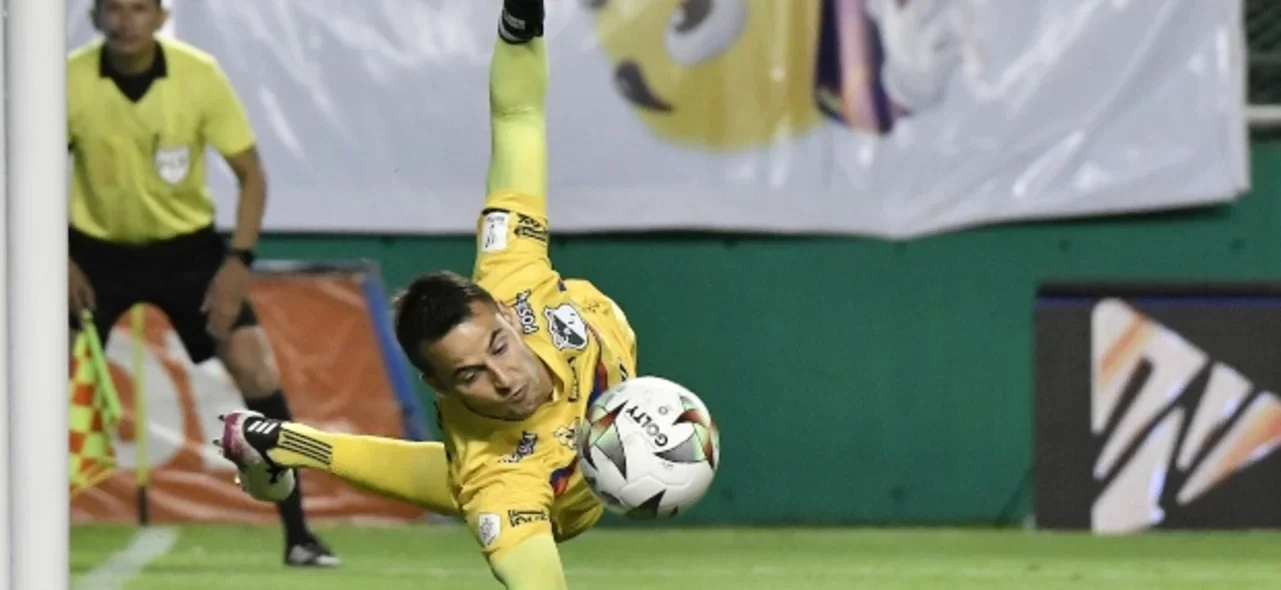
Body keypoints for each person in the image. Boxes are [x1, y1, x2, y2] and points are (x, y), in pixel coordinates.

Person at [218, 1, 636, 587]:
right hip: (554, 501)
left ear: (502, 315)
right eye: (469, 377)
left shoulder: (512, 266)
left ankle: (283, 444)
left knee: (458, 470)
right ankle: (288, 447)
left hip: (592, 399)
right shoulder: (500, 487)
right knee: (465, 477)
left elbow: (518, 115)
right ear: (440, 387)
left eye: (498, 345)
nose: (505, 377)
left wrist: (520, 25)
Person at [67, 0, 339, 567]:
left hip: (188, 253)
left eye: (139, 8)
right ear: (95, 16)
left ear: (161, 16)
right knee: (33, 376)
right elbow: (22, 168)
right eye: (113, 8)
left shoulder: (199, 75)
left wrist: (237, 262)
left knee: (254, 365)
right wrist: (57, 259)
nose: (125, 20)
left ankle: (300, 534)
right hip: (90, 253)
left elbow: (251, 175)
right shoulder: (67, 79)